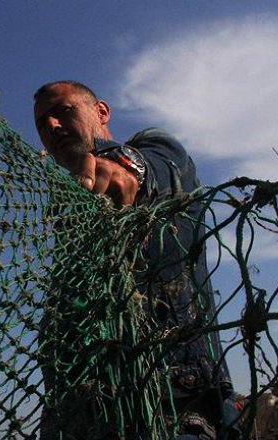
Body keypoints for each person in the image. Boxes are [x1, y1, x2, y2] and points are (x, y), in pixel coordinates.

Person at [33, 80, 239, 439]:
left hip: (170, 405)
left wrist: (124, 169)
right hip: (80, 416)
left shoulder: (157, 148)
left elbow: (152, 168)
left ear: (101, 112)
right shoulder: (70, 210)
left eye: (63, 111)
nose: (52, 126)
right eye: (41, 123)